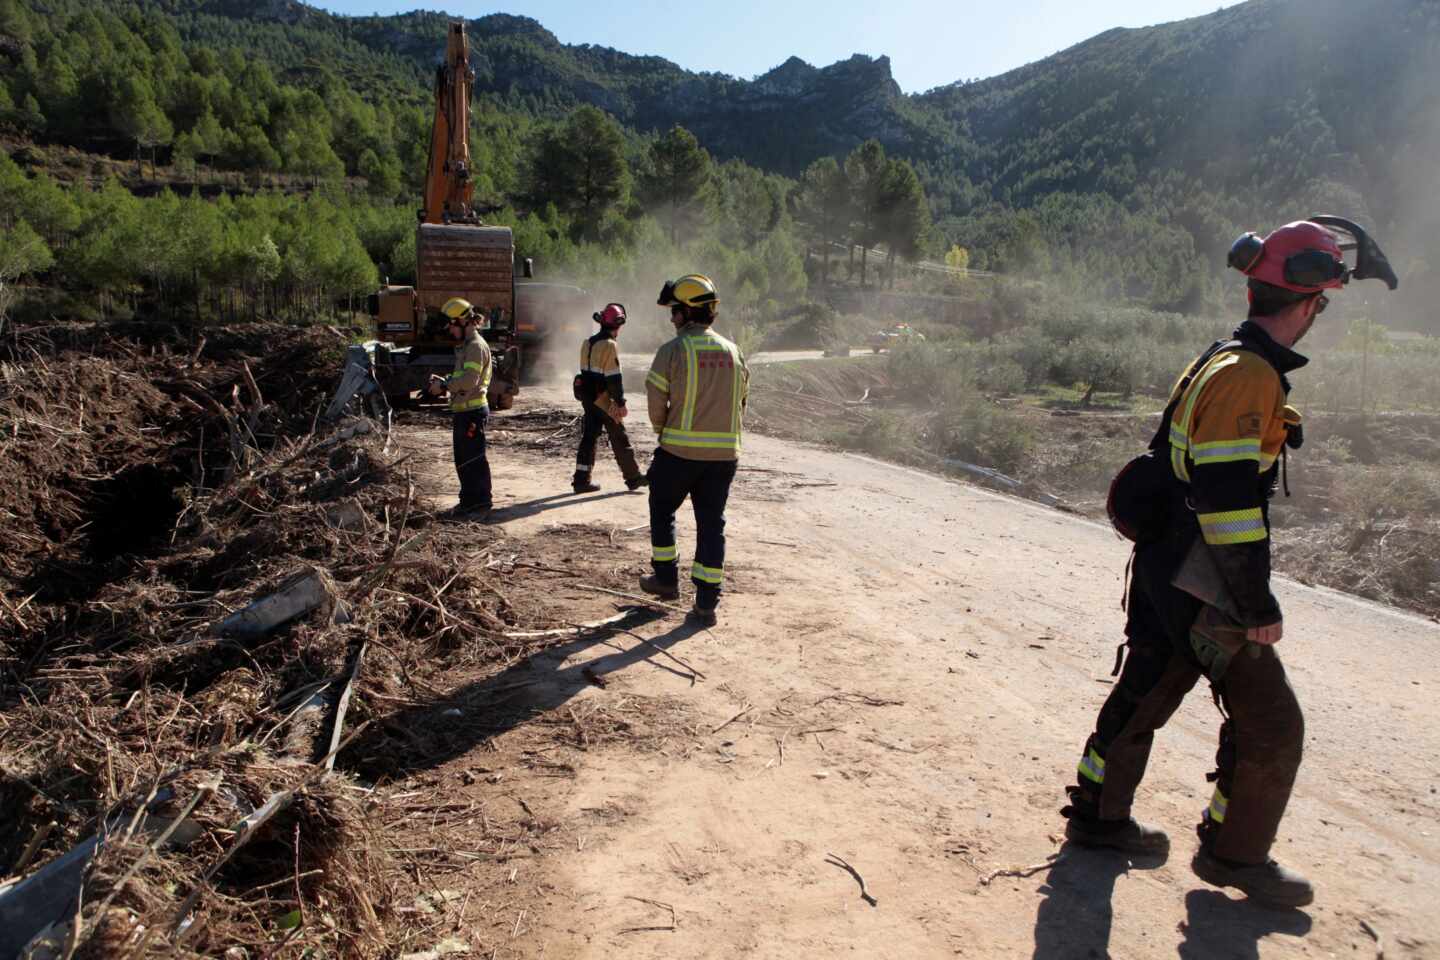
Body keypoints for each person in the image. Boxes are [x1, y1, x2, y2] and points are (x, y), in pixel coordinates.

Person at [1061, 218, 1397, 908]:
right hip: (1200, 572)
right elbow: (1226, 502)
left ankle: (1098, 816)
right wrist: (1255, 606)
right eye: (1324, 303)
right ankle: (1233, 854)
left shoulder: (1225, 358)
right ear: (1308, 304)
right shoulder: (1250, 378)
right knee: (1271, 720)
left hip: (1163, 558)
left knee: (1151, 682)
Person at [640, 274, 749, 627]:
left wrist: (664, 431)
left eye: (674, 311)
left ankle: (666, 579)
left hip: (679, 453)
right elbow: (742, 402)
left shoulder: (673, 351)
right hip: (723, 457)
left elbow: (656, 400)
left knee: (661, 506)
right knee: (711, 525)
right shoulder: (734, 352)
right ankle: (706, 605)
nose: (672, 319)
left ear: (688, 312)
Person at [572, 302, 647, 494]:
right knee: (619, 436)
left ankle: (581, 480)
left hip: (587, 398)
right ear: (618, 324)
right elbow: (613, 378)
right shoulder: (610, 345)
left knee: (589, 437)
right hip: (603, 399)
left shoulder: (587, 342)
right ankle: (633, 478)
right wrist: (620, 403)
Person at [427, 297, 492, 517]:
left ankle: (480, 502)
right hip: (464, 410)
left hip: (472, 412)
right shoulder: (466, 346)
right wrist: (445, 379)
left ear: (463, 322)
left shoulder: (475, 346)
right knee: (464, 460)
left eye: (451, 325)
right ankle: (468, 501)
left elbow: (469, 381)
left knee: (473, 459)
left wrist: (444, 385)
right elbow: (462, 376)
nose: (450, 331)